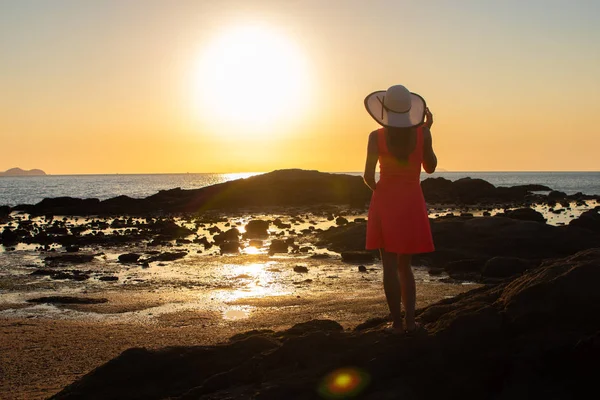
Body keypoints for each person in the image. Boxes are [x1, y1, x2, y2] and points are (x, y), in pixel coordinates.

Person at [362, 84, 437, 334]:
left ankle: (395, 324)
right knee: (405, 267)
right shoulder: (422, 134)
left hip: (386, 201)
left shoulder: (376, 136)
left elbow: (368, 177)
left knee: (389, 267)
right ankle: (410, 322)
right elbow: (431, 167)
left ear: (385, 109)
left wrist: (382, 192)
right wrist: (427, 132)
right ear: (409, 109)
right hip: (411, 201)